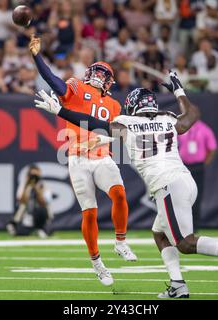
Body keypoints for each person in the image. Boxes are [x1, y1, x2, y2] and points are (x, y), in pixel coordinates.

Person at [33, 70, 218, 299]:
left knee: (184, 243)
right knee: (159, 234)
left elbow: (93, 124)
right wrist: (179, 90)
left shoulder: (128, 123)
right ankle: (177, 284)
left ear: (134, 107)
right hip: (185, 182)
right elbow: (192, 114)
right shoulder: (168, 118)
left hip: (167, 185)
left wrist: (60, 111)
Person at [29, 35, 137, 287]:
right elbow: (53, 82)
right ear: (89, 72)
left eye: (104, 72)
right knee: (89, 212)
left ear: (110, 81)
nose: (99, 75)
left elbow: (119, 134)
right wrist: (37, 56)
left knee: (120, 194)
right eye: (97, 70)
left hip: (101, 157)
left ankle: (120, 241)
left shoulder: (113, 104)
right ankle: (97, 263)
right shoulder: (76, 86)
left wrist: (100, 141)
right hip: (77, 157)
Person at [178, 120, 217, 230]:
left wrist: (205, 163)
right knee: (181, 195)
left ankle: (194, 225)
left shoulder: (204, 129)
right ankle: (182, 224)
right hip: (183, 166)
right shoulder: (182, 127)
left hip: (198, 167)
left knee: (196, 195)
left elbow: (212, 148)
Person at [6, 164, 54, 238]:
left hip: (41, 214)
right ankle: (14, 224)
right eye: (32, 175)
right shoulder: (24, 185)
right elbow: (21, 201)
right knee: (21, 206)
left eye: (36, 175)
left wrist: (37, 189)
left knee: (46, 208)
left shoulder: (44, 185)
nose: (34, 178)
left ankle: (42, 228)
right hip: (28, 214)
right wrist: (27, 186)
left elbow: (44, 203)